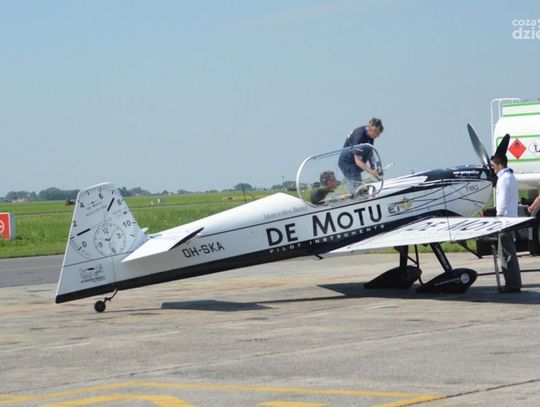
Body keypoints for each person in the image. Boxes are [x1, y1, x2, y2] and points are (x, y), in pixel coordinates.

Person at [491, 153, 521, 293]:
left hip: (505, 222)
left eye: (493, 165)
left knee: (506, 253)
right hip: (511, 220)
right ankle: (513, 282)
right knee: (509, 252)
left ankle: (512, 284)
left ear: (499, 165)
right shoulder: (510, 177)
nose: (492, 168)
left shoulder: (503, 179)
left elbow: (502, 201)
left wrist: (499, 217)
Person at [338, 118, 384, 194]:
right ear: (370, 129)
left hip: (354, 163)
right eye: (377, 133)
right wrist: (372, 172)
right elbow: (358, 161)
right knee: (358, 191)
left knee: (360, 187)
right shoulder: (359, 138)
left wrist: (373, 166)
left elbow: (370, 150)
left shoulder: (370, 135)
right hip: (348, 164)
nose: (378, 136)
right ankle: (354, 196)